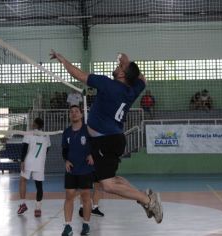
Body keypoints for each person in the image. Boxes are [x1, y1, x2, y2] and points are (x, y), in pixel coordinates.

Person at [50, 50, 163, 224]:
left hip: (106, 140)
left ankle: (149, 201)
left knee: (108, 184)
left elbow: (77, 74)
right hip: (108, 139)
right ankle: (144, 198)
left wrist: (63, 60)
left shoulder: (107, 84)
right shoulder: (133, 89)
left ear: (123, 74)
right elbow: (142, 79)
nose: (117, 67)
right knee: (112, 179)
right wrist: (128, 63)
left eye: (119, 67)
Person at [61, 105, 94, 236]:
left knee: (85, 196)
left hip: (85, 168)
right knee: (69, 195)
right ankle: (68, 226)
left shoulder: (88, 130)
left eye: (76, 111)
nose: (74, 114)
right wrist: (66, 160)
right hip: (71, 169)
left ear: (81, 114)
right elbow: (64, 150)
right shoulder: (67, 132)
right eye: (71, 112)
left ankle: (86, 224)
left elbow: (96, 144)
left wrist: (92, 154)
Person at [17, 118, 51, 217]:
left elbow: (24, 148)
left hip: (29, 161)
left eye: (33, 122)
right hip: (40, 162)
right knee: (39, 185)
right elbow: (48, 148)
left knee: (23, 180)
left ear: (35, 124)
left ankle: (23, 204)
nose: (32, 124)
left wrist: (22, 161)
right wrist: (41, 157)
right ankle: (38, 208)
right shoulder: (46, 135)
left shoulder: (29, 133)